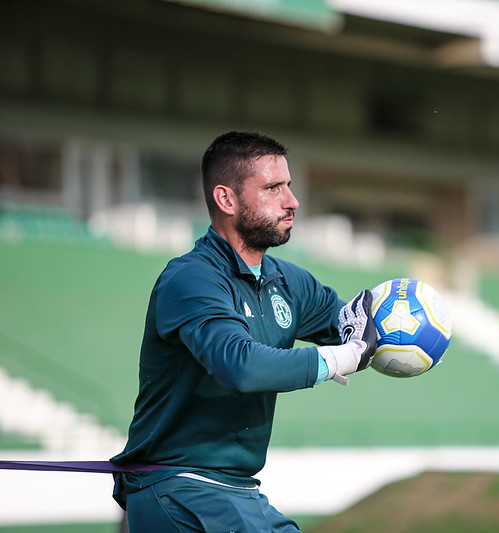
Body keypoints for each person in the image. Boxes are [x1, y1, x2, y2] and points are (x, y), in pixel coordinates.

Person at [110, 131, 377, 532]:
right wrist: (343, 358)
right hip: (177, 487)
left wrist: (399, 327)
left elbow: (354, 331)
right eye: (273, 188)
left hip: (240, 491)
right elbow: (241, 366)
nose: (292, 201)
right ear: (226, 199)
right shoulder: (190, 279)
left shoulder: (290, 281)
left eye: (288, 186)